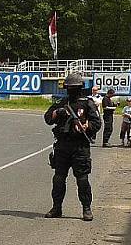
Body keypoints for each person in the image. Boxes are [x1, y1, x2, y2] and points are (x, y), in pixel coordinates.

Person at [43, 72, 101, 221]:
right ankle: (57, 208)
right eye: (69, 87)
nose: (71, 90)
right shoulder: (62, 103)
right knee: (58, 179)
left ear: (80, 88)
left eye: (74, 87)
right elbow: (48, 118)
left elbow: (97, 123)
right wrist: (57, 112)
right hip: (62, 146)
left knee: (82, 179)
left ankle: (86, 208)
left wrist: (86, 126)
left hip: (80, 147)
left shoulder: (88, 103)